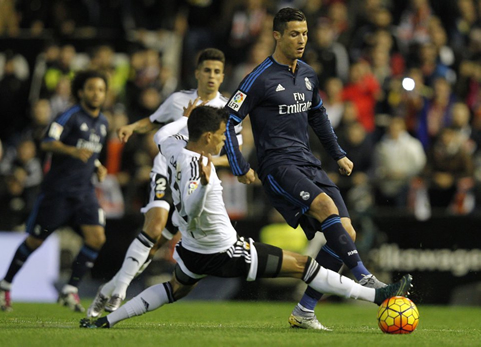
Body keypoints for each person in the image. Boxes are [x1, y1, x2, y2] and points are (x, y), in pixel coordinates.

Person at [79, 105, 413, 329]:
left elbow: (160, 135)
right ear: (209, 137)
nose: (225, 139)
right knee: (304, 267)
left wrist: (188, 118)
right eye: (222, 134)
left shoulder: (174, 152)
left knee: (174, 290)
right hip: (225, 250)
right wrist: (202, 191)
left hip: (193, 252)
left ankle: (107, 321)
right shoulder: (203, 167)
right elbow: (195, 205)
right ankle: (378, 296)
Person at [223, 7, 386, 330]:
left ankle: (305, 309)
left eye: (305, 33)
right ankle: (365, 279)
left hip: (309, 162)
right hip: (277, 165)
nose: (301, 40)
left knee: (346, 233)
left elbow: (319, 117)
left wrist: (338, 154)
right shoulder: (259, 77)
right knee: (327, 209)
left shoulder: (309, 74)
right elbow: (228, 120)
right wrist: (239, 165)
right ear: (277, 35)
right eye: (294, 34)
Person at [86, 48, 242, 318]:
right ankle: (121, 289)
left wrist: (208, 163)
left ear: (223, 75)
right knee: (154, 225)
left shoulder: (227, 110)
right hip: (166, 169)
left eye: (217, 71)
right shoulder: (179, 100)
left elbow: (234, 154)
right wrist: (132, 128)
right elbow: (153, 121)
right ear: (197, 73)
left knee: (157, 244)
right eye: (207, 70)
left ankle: (110, 286)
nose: (211, 76)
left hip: (194, 180)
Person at [0, 70, 109, 313]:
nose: (96, 94)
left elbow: (92, 154)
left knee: (97, 238)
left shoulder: (104, 123)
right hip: (58, 192)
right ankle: (5, 283)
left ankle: (70, 290)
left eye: (100, 89)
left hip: (84, 193)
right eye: (91, 88)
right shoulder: (70, 116)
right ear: (81, 92)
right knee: (35, 241)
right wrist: (71, 151)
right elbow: (47, 141)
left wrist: (98, 167)